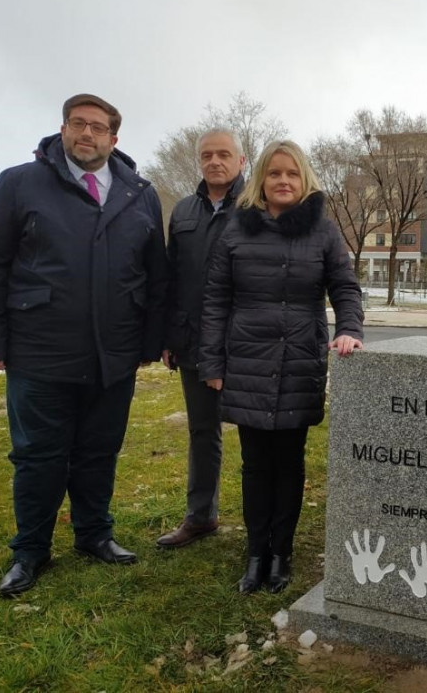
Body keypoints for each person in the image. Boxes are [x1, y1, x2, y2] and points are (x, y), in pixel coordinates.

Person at [0, 93, 167, 597]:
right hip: (40, 351)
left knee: (99, 451)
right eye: (78, 124)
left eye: (98, 127)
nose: (87, 134)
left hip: (114, 354)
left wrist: (150, 340)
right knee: (38, 456)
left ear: (113, 139)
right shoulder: (20, 183)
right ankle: (30, 550)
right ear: (62, 130)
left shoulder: (138, 193)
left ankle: (94, 535)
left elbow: (155, 275)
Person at [198, 140, 363, 594]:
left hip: (299, 361)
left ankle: (281, 553)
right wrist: (212, 361)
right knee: (255, 464)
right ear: (261, 181)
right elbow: (215, 301)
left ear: (304, 178)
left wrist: (350, 329)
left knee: (289, 463)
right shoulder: (235, 230)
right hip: (247, 361)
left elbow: (345, 288)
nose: (283, 181)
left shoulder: (324, 232)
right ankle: (256, 554)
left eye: (292, 174)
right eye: (274, 174)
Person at [156, 128, 245, 549]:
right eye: (207, 155)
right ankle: (201, 516)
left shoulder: (256, 208)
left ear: (241, 161)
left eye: (224, 154)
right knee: (202, 432)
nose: (215, 161)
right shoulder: (185, 212)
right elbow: (172, 279)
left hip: (246, 345)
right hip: (193, 343)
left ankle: (260, 525)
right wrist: (171, 336)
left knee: (255, 435)